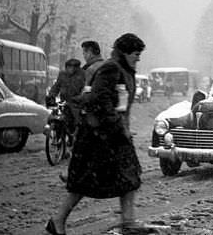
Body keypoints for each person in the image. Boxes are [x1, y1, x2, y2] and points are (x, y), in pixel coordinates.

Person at [47, 33, 155, 235]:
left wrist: (122, 127)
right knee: (84, 182)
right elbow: (100, 97)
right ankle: (57, 220)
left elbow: (119, 102)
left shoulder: (125, 69)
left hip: (114, 134)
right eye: (135, 54)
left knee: (130, 177)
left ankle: (128, 222)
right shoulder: (112, 67)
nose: (138, 58)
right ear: (124, 52)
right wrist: (116, 124)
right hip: (100, 135)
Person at [46, 58, 85, 136]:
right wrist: (51, 96)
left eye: (74, 67)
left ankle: (74, 136)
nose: (71, 69)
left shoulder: (82, 74)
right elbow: (56, 86)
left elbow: (84, 89)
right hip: (64, 101)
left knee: (76, 121)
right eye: (69, 67)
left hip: (76, 102)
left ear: (77, 68)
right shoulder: (62, 74)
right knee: (55, 116)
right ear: (66, 67)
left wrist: (79, 98)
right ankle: (56, 132)